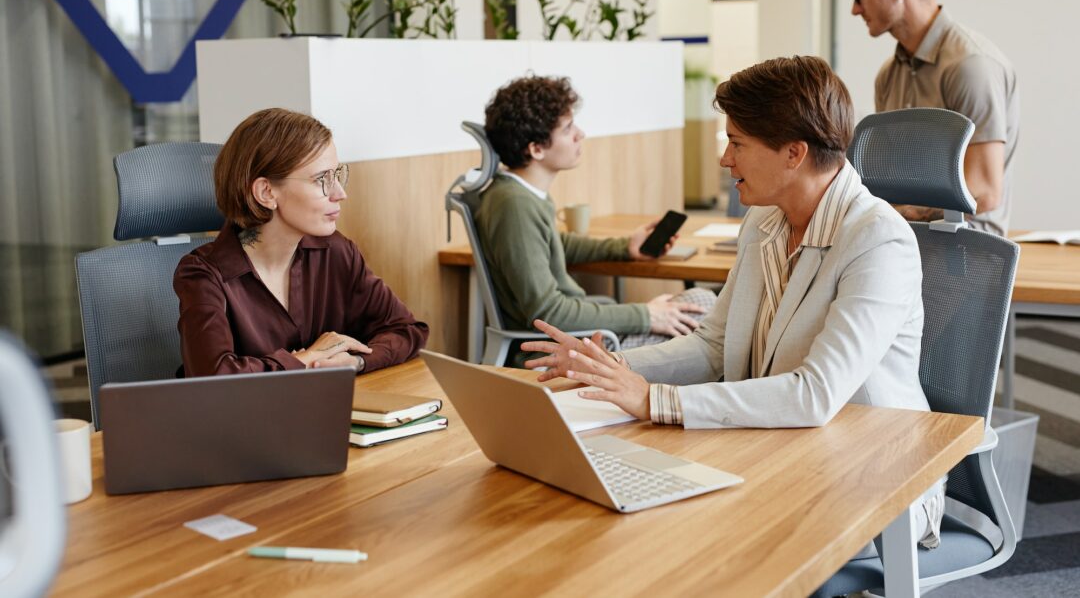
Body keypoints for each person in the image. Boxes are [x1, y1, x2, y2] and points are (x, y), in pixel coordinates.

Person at [521, 56, 944, 549]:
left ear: (793, 153)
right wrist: (608, 369)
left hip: (874, 478)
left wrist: (655, 400)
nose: (725, 160)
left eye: (737, 143)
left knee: (685, 538)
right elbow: (713, 348)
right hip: (782, 448)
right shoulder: (765, 221)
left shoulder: (877, 239)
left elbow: (815, 394)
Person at [174, 108, 428, 376]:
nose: (340, 193)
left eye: (337, 175)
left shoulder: (336, 252)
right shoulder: (203, 274)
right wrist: (307, 358)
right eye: (322, 179)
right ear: (266, 192)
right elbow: (213, 377)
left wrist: (356, 361)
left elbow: (407, 330)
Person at [475, 75, 714, 356]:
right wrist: (646, 315)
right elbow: (548, 312)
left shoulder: (520, 194)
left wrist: (624, 247)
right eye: (567, 129)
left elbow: (553, 245)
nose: (580, 134)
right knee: (705, 311)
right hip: (559, 352)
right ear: (536, 149)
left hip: (581, 339)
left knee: (702, 303)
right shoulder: (514, 205)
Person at [845, 0, 1019, 236]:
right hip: (904, 246)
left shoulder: (971, 66)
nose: (855, 9)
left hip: (964, 258)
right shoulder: (888, 76)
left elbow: (985, 191)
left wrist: (904, 210)